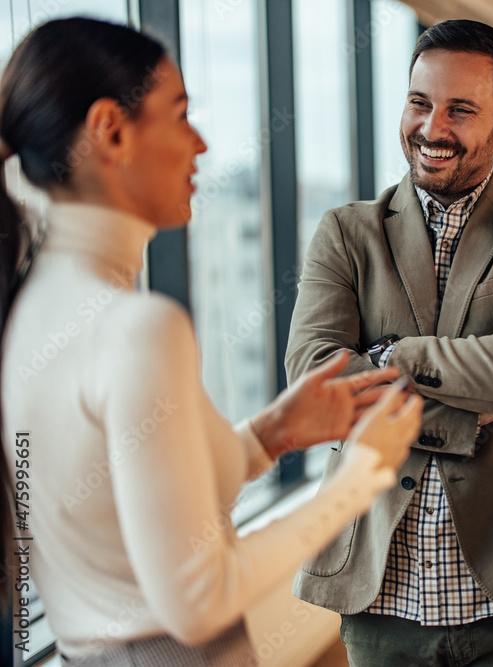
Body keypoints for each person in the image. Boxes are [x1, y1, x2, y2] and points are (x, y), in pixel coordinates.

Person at [0, 17, 423, 667]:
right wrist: (361, 475)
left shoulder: (29, 311)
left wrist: (270, 434)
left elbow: (130, 511)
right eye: (180, 115)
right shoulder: (136, 327)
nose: (200, 144)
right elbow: (198, 595)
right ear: (111, 131)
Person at [286, 18, 493, 666]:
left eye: (460, 110)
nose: (432, 129)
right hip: (386, 589)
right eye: (419, 102)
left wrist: (390, 356)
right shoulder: (347, 233)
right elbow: (313, 380)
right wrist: (483, 397)